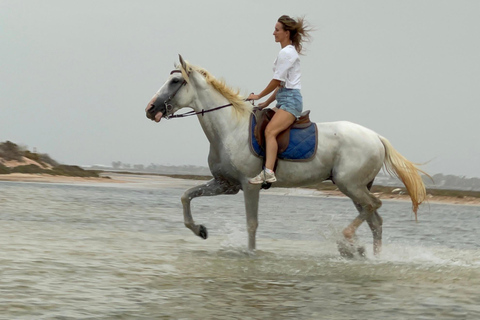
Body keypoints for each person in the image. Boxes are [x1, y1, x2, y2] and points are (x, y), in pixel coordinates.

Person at [248, 15, 312, 184]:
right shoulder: (286, 52)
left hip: (291, 102)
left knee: (270, 131)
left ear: (286, 33)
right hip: (284, 98)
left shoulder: (286, 53)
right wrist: (266, 103)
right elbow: (281, 85)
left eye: (277, 30)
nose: (273, 33)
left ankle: (268, 172)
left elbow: (277, 81)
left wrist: (258, 95)